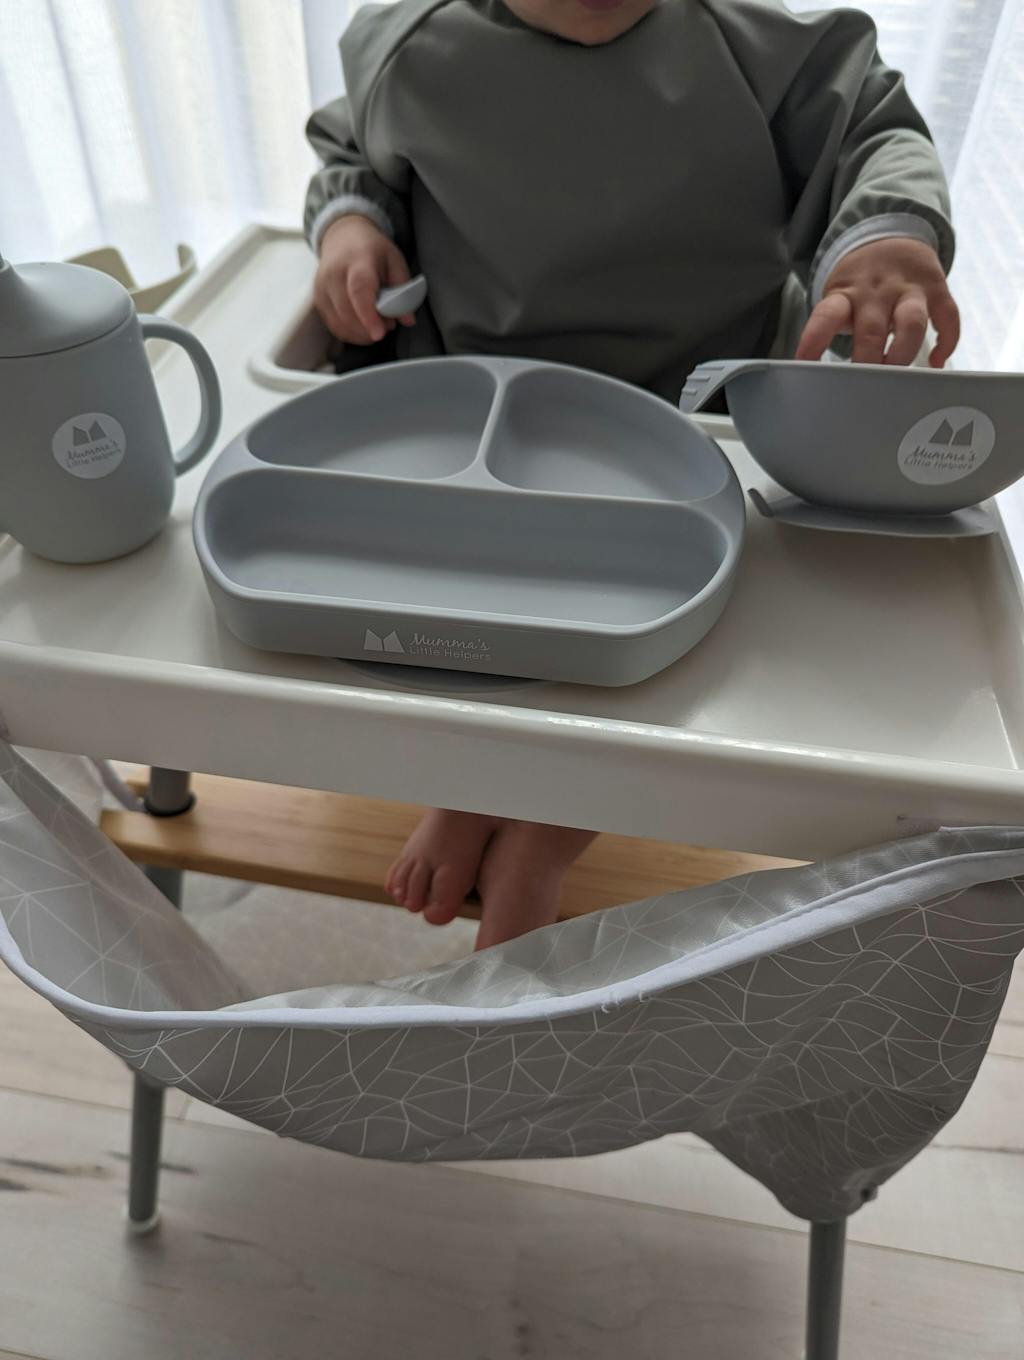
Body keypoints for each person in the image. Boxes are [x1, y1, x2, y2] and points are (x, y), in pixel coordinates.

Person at [303, 0, 960, 950]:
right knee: (470, 610)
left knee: (676, 646)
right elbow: (354, 149)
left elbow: (873, 131)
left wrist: (878, 239)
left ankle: (550, 832)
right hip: (496, 398)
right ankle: (472, 786)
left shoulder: (751, 44)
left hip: (702, 402)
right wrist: (351, 227)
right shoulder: (413, 44)